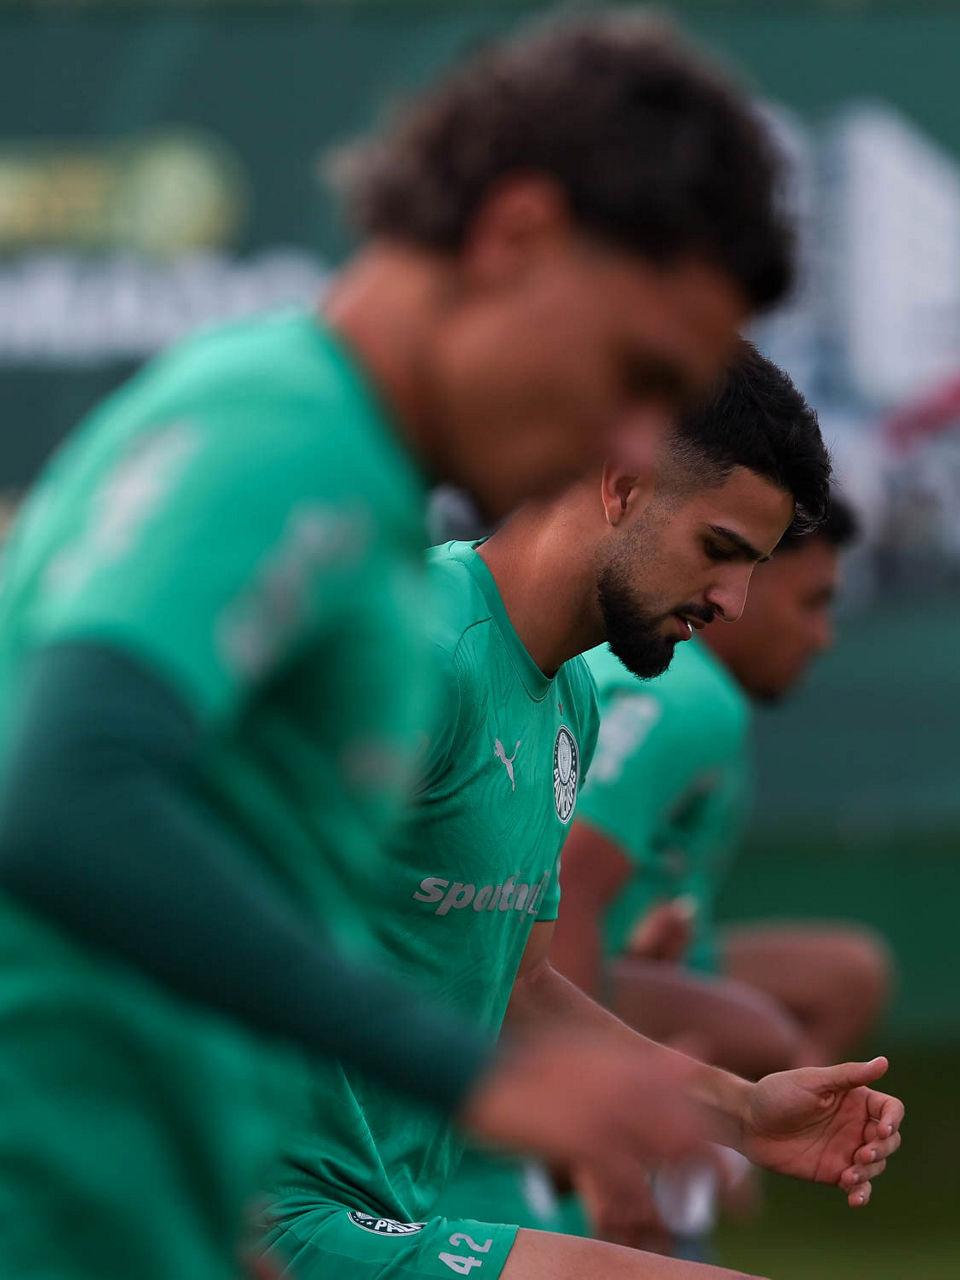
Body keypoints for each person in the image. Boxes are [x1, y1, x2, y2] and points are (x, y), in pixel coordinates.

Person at [0, 12, 797, 1280]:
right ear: (516, 237)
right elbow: (63, 791)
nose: (630, 447)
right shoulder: (283, 430)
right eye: (632, 371)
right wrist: (470, 1076)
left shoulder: (368, 510)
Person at [260, 344, 904, 1280]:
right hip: (250, 1212)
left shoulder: (571, 702)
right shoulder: (422, 649)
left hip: (380, 1209)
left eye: (755, 567)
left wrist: (739, 1110)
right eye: (719, 550)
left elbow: (522, 989)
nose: (732, 601)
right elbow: (194, 903)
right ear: (622, 486)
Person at [551, 494, 890, 1257]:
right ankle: (670, 1161)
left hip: (542, 989)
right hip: (537, 1010)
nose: (822, 636)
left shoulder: (625, 672)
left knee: (842, 977)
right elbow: (563, 893)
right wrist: (596, 1145)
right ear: (747, 580)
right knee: (760, 1034)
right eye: (811, 602)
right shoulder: (689, 697)